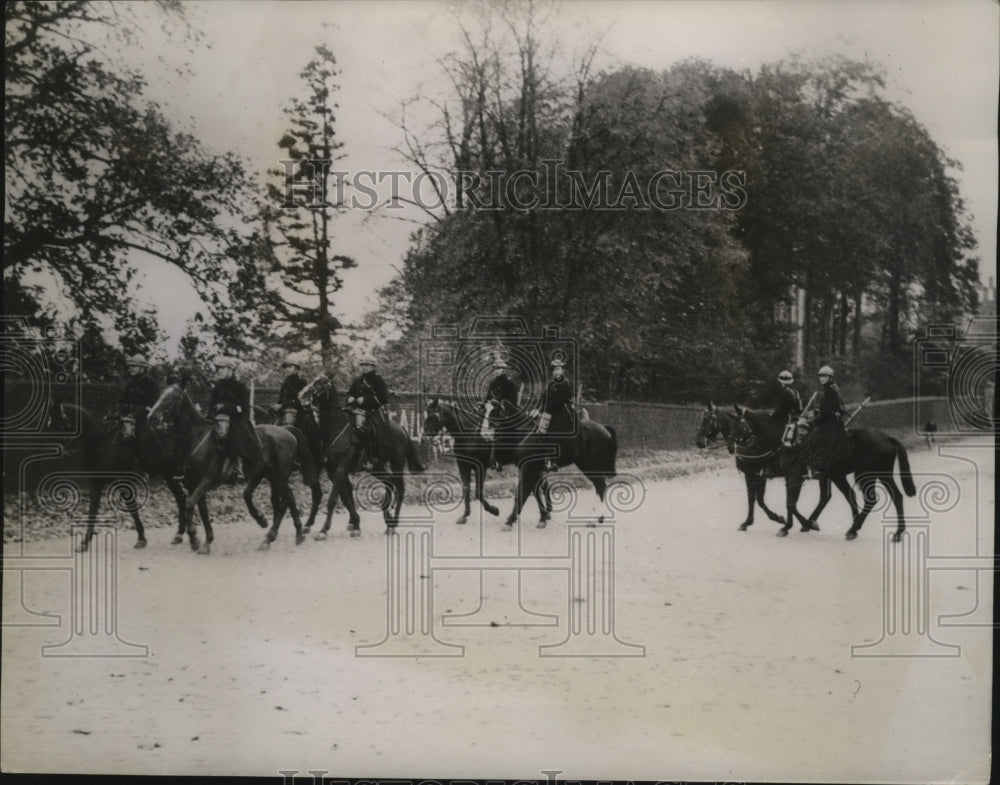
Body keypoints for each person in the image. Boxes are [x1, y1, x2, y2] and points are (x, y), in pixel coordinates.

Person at [208, 356, 257, 483]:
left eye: (222, 368)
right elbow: (211, 404)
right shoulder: (218, 386)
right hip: (217, 418)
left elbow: (243, 408)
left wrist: (225, 407)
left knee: (237, 434)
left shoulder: (240, 387)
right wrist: (210, 414)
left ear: (230, 370)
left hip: (237, 418)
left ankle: (239, 470)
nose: (218, 371)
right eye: (217, 368)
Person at [799, 364, 848, 472]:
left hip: (830, 424)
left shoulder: (830, 391)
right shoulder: (828, 390)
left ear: (830, 378)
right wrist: (812, 414)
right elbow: (822, 408)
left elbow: (826, 412)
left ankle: (816, 464)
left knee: (811, 438)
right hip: (829, 421)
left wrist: (812, 422)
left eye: (824, 376)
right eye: (820, 376)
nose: (822, 378)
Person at [345, 356, 390, 472]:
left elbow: (383, 398)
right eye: (362, 365)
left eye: (366, 365)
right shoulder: (358, 380)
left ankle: (370, 458)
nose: (364, 367)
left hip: (372, 411)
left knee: (368, 430)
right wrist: (350, 398)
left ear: (372, 367)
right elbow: (350, 393)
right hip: (355, 409)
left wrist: (365, 400)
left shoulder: (378, 380)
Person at [537, 358, 575, 471]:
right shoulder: (551, 385)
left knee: (555, 432)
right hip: (551, 412)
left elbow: (561, 399)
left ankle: (554, 460)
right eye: (554, 370)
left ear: (562, 371)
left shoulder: (565, 383)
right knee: (540, 429)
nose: (556, 372)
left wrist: (547, 409)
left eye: (558, 369)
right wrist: (538, 408)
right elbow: (544, 398)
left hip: (564, 412)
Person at [483, 357, 519, 470]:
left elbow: (512, 400)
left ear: (503, 369)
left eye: (498, 368)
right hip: (493, 410)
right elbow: (488, 397)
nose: (496, 370)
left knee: (502, 430)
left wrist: (500, 402)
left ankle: (500, 458)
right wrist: (484, 403)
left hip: (506, 410)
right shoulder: (493, 383)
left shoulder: (509, 383)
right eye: (495, 368)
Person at [117, 354, 160, 441]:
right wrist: (120, 412)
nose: (130, 369)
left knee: (144, 439)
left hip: (144, 418)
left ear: (142, 368)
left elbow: (153, 403)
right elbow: (122, 400)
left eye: (134, 366)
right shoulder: (130, 383)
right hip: (127, 417)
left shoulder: (151, 383)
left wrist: (136, 415)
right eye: (129, 366)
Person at [312, 366, 341, 452]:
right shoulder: (326, 383)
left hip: (327, 412)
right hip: (325, 410)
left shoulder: (326, 384)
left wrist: (314, 404)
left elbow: (317, 397)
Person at [772, 369, 803, 447]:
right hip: (796, 418)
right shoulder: (796, 392)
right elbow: (800, 408)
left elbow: (780, 409)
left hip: (786, 420)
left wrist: (772, 415)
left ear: (782, 382)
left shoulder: (785, 392)